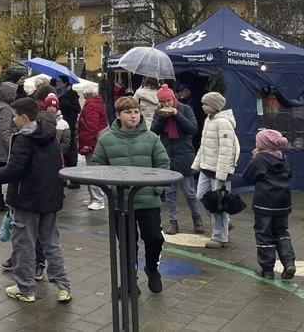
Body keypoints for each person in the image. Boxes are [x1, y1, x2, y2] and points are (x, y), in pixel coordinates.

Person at [0, 98, 71, 303]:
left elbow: (15, 169)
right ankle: (63, 287)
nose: (13, 120)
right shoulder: (50, 135)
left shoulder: (23, 138)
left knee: (24, 243)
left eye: (14, 116)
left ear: (24, 117)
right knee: (51, 243)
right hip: (50, 198)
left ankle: (25, 288)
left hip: (27, 198)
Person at [92, 96, 170, 294]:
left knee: (154, 238)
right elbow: (98, 167)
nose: (133, 116)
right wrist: (111, 190)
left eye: (136, 111)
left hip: (148, 200)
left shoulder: (151, 138)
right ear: (118, 115)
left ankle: (152, 268)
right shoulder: (106, 139)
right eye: (128, 112)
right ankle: (129, 279)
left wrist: (156, 189)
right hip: (122, 202)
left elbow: (163, 164)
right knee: (127, 244)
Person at [151, 84, 204, 235]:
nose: (167, 104)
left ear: (174, 98)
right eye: (163, 102)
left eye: (169, 100)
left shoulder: (185, 109)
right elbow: (154, 132)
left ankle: (196, 218)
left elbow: (193, 129)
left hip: (184, 153)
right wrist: (162, 117)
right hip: (166, 153)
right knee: (169, 192)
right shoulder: (158, 112)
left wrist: (176, 115)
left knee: (189, 191)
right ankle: (173, 221)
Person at [243, 129, 296, 279]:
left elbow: (248, 177)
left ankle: (267, 269)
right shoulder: (284, 158)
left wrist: (254, 159)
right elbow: (289, 174)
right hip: (283, 203)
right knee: (282, 232)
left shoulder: (260, 160)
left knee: (264, 234)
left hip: (264, 203)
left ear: (262, 144)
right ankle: (289, 262)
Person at [192, 92, 240, 249]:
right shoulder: (209, 120)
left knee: (219, 203)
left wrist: (222, 174)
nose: (203, 106)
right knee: (202, 197)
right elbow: (204, 146)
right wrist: (197, 164)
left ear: (215, 106)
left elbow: (227, 150)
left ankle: (220, 237)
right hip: (207, 169)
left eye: (205, 104)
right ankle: (224, 224)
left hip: (218, 171)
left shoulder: (223, 123)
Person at [77, 86, 108, 211]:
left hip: (92, 142)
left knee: (93, 170)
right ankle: (93, 198)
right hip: (97, 139)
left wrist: (88, 144)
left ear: (87, 95)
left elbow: (91, 126)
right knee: (93, 169)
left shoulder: (91, 105)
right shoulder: (98, 102)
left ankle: (98, 200)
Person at [0, 82, 17, 211]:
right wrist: (12, 146)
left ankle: (0, 201)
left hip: (0, 143)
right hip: (4, 145)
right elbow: (5, 130)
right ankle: (2, 201)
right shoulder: (6, 108)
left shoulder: (1, 105)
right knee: (5, 173)